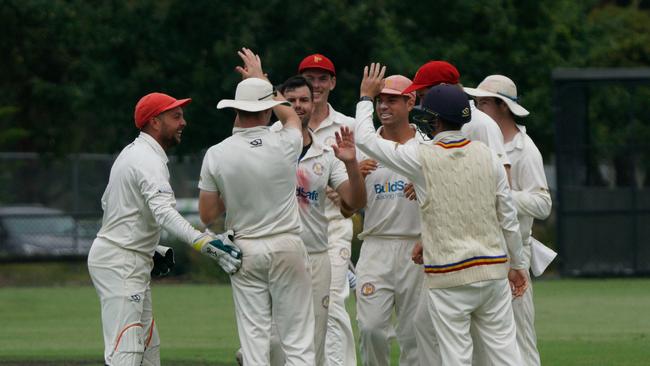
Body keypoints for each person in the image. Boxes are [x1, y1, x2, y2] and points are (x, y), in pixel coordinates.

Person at [349, 63, 529, 365]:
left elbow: (366, 140)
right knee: (506, 355)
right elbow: (507, 215)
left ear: (430, 119)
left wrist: (365, 99)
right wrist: (518, 264)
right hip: (493, 271)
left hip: (450, 275)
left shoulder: (422, 155)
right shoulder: (488, 155)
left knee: (454, 355)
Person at [88, 92, 242, 366]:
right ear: (154, 122)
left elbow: (111, 205)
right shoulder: (146, 160)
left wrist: (151, 247)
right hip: (121, 262)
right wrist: (203, 242)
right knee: (126, 352)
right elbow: (164, 213)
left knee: (148, 350)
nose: (183, 122)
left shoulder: (136, 153)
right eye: (176, 116)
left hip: (129, 258)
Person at [198, 48, 314, 366]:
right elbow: (291, 115)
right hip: (288, 245)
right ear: (268, 109)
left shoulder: (217, 154)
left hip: (246, 250)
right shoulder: (286, 142)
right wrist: (263, 80)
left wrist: (237, 191)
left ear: (235, 109)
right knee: (298, 340)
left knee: (254, 340)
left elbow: (208, 215)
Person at [262, 75, 366, 366]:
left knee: (316, 339)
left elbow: (355, 202)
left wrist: (351, 163)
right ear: (280, 104)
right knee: (273, 340)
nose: (298, 106)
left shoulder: (326, 152)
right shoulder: (268, 147)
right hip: (276, 252)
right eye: (290, 100)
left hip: (317, 256)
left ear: (313, 103)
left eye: (304, 100)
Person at [465, 74, 552, 366]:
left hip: (514, 252)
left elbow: (542, 204)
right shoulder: (477, 141)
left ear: (502, 106)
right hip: (479, 250)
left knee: (519, 338)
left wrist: (501, 194)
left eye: (484, 103)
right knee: (480, 340)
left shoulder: (525, 149)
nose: (477, 108)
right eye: (476, 102)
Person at [354, 75, 425, 366]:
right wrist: (353, 173)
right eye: (379, 99)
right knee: (371, 329)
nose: (383, 105)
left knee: (415, 334)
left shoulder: (427, 146)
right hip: (375, 245)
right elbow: (349, 206)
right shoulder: (363, 147)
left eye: (392, 99)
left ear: (411, 101)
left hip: (417, 248)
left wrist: (425, 185)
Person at [298, 53, 357, 366]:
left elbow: (367, 172)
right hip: (295, 233)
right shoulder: (288, 123)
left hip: (334, 230)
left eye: (322, 78)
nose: (316, 84)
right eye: (310, 78)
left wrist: (348, 179)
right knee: (299, 307)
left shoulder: (348, 125)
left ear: (333, 82)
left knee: (332, 302)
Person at [402, 60, 511, 180]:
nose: (422, 104)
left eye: (423, 96)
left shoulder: (481, 124)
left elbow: (504, 177)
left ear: (442, 88)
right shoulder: (438, 120)